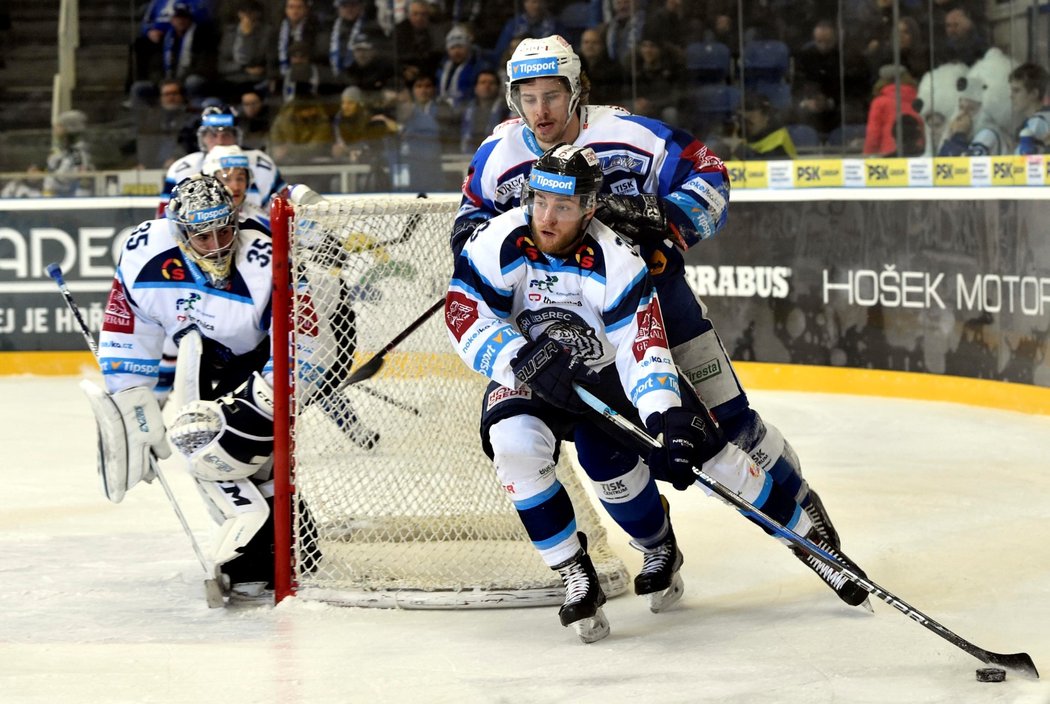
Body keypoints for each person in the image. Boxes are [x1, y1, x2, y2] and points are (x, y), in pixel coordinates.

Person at [453, 35, 862, 608]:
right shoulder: (498, 154)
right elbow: (469, 221)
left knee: (731, 428)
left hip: (661, 309)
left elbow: (712, 175)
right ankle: (657, 542)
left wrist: (666, 221)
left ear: (578, 91)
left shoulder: (629, 135)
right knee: (608, 450)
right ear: (512, 97)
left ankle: (806, 521)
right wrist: (482, 244)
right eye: (528, 97)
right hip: (570, 330)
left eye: (553, 95)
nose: (541, 111)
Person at [86, 175, 289, 599]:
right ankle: (256, 552)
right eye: (203, 235)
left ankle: (282, 552)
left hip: (262, 355)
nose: (217, 244)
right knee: (204, 450)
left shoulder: (266, 253)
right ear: (180, 232)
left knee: (248, 456)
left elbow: (299, 337)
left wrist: (268, 394)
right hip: (201, 353)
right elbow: (130, 329)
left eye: (224, 229)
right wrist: (132, 403)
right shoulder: (144, 255)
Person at [158, 103, 286, 218]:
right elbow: (165, 221)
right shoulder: (182, 169)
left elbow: (283, 214)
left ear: (237, 137)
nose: (220, 142)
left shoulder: (261, 164)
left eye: (227, 134)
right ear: (202, 138)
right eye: (213, 135)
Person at [44, 110, 94, 197]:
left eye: (59, 125)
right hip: (54, 198)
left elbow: (76, 178)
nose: (55, 129)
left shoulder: (77, 153)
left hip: (69, 200)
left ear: (70, 129)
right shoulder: (62, 151)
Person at [1009, 62, 1050, 155]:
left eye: (1016, 91)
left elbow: (1021, 162)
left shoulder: (1036, 123)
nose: (1011, 96)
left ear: (1034, 94)